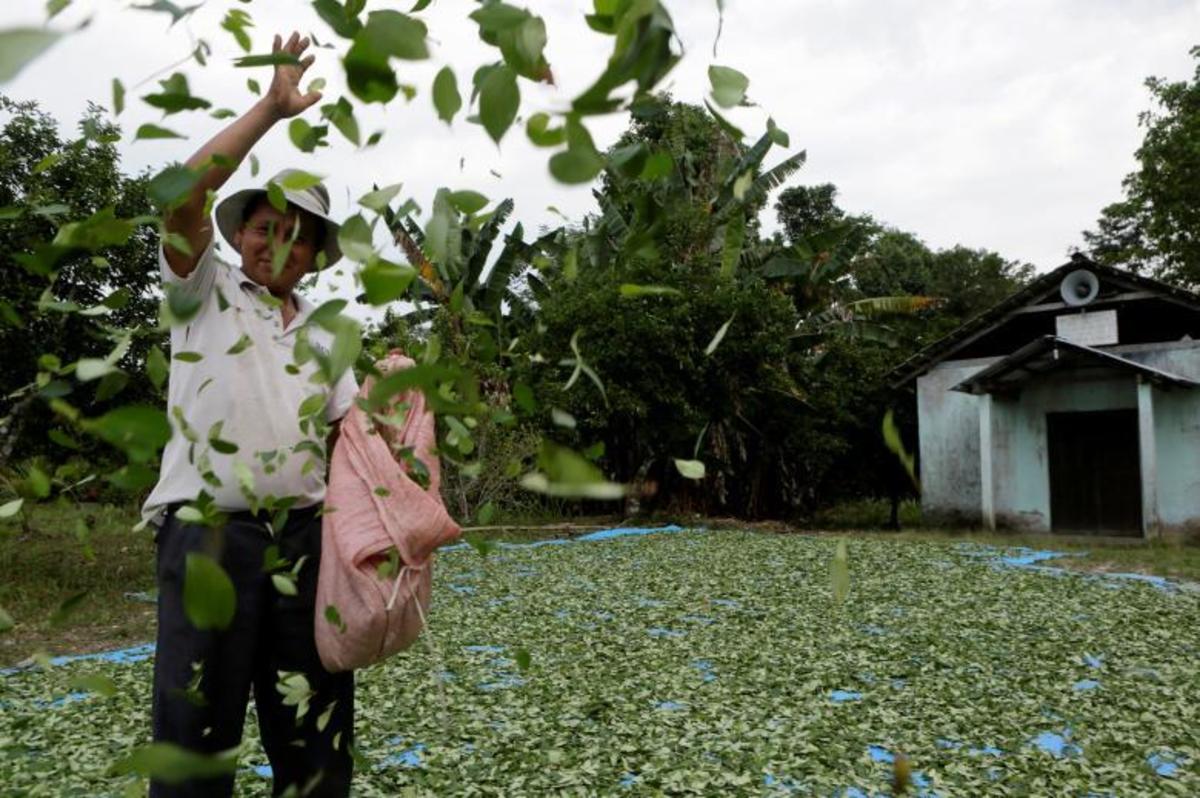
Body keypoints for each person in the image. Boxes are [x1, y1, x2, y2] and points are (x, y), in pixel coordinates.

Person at [142, 31, 358, 797]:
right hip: (209, 536)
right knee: (195, 739)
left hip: (300, 544)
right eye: (265, 226)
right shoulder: (201, 291)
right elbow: (180, 194)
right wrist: (271, 107)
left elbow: (350, 436)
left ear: (314, 254)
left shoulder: (326, 332)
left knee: (315, 739)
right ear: (237, 235)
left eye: (296, 234)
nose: (278, 242)